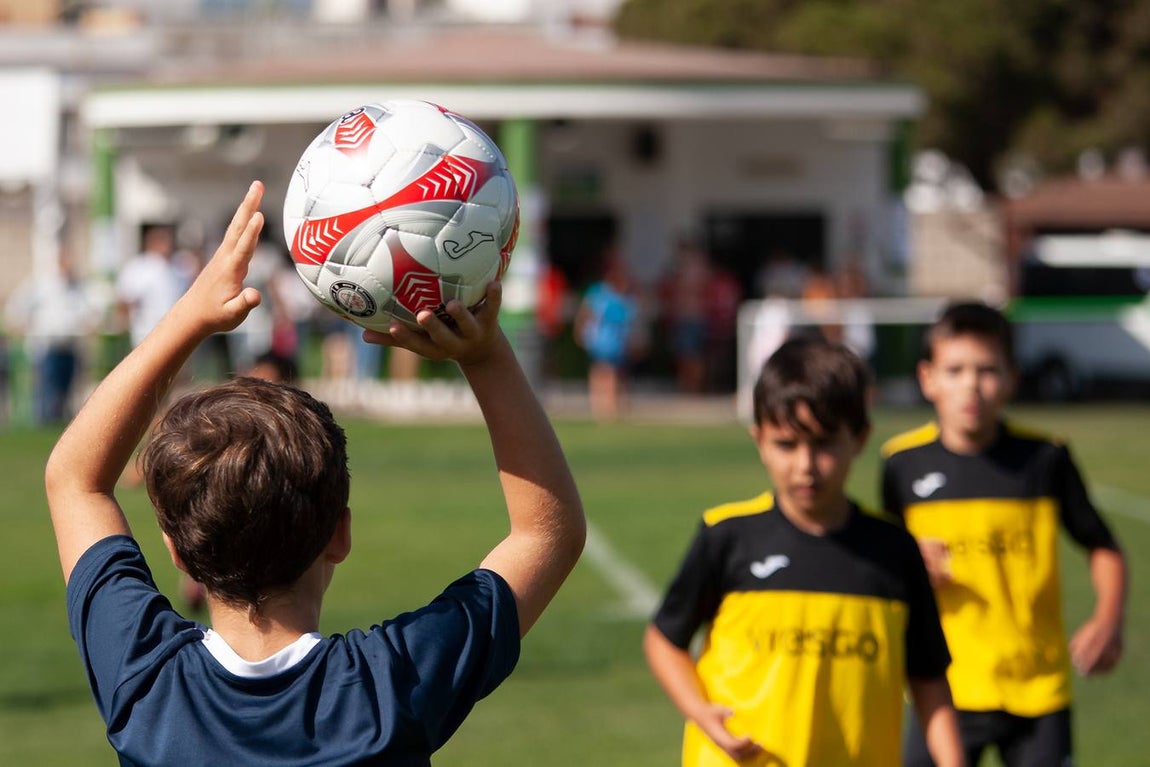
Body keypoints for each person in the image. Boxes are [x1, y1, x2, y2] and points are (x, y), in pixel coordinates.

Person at [44, 181, 586, 765]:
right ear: (340, 535)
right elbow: (545, 533)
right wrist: (485, 355)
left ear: (178, 552)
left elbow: (75, 478)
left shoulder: (147, 682)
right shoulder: (389, 689)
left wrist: (187, 319)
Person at [645, 336, 964, 767]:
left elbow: (928, 678)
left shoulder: (894, 550)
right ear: (759, 440)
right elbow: (665, 639)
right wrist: (699, 711)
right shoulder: (728, 536)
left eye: (825, 444)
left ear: (860, 438)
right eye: (786, 444)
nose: (805, 465)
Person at [882, 301, 1128, 767]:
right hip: (943, 686)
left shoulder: (1045, 458)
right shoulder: (902, 463)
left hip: (1036, 686)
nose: (971, 385)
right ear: (927, 378)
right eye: (954, 370)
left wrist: (1108, 619)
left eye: (987, 369)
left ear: (1013, 377)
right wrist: (910, 562)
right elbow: (887, 562)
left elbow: (1103, 546)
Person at [4, 248, 99, 424]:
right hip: (47, 346)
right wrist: (23, 325)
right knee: (48, 388)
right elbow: (16, 307)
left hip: (70, 346)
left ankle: (61, 422)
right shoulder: (41, 285)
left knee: (66, 389)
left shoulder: (78, 287)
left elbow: (90, 312)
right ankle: (44, 421)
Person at [575, 249, 641, 421]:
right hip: (602, 341)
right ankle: (603, 408)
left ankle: (613, 406)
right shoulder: (598, 293)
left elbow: (630, 320)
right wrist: (581, 331)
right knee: (604, 372)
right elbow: (585, 313)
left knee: (617, 373)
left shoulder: (624, 295)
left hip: (617, 342)